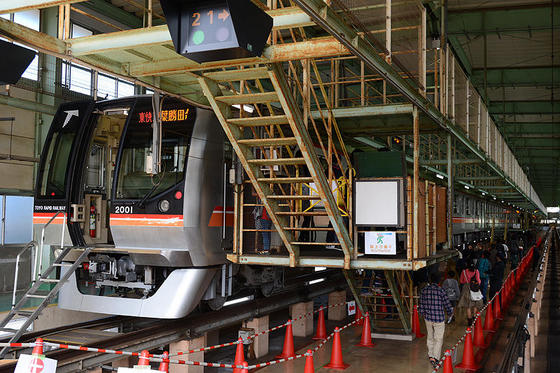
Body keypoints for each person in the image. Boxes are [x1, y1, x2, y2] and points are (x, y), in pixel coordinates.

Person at [419, 273, 454, 368]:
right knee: (438, 338)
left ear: (430, 280)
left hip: (428, 318)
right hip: (439, 318)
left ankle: (430, 355)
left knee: (430, 336)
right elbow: (447, 304)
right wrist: (450, 313)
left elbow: (421, 304)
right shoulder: (441, 291)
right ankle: (435, 357)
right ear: (439, 281)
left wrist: (423, 313)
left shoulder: (424, 290)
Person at [458, 261, 483, 326]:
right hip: (475, 288)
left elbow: (461, 281)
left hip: (466, 289)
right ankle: (474, 317)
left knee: (468, 306)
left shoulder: (464, 272)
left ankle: (469, 321)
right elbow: (479, 281)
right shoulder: (476, 271)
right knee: (475, 304)